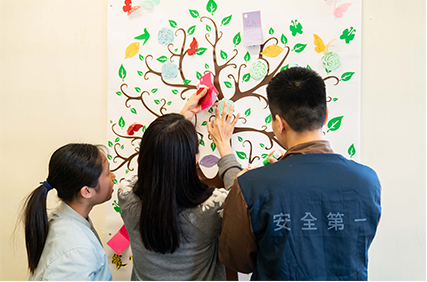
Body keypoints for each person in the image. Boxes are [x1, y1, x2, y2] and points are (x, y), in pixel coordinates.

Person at [218, 67, 382, 280]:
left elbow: (238, 260)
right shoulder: (367, 181)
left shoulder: (250, 186)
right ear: (326, 116)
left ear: (279, 123)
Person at [117, 87, 242, 280]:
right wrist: (224, 144)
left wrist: (178, 123)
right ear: (192, 158)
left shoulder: (126, 195)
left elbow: (156, 163)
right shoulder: (211, 208)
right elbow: (239, 201)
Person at [22, 143, 115, 280]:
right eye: (107, 173)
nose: (113, 176)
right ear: (87, 191)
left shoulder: (66, 219)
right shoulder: (76, 252)